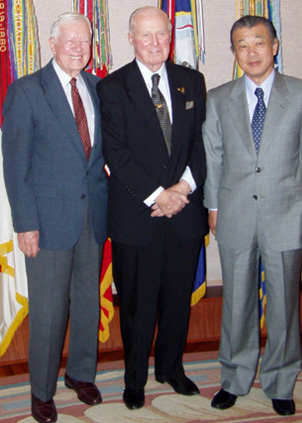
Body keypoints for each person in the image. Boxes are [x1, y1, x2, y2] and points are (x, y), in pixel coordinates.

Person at [203, 15, 302, 417]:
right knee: (236, 302)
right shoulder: (218, 97)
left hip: (288, 212)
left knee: (283, 305)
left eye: (259, 43)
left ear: (275, 46)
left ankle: (280, 380)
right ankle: (234, 378)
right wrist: (213, 207)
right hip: (235, 213)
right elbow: (214, 157)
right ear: (234, 53)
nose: (251, 52)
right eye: (242, 45)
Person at [97, 6, 208, 410]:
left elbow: (201, 144)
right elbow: (117, 154)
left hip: (184, 215)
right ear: (131, 38)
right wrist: (159, 195)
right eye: (146, 36)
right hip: (137, 217)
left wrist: (181, 189)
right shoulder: (111, 88)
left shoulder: (191, 81)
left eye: (162, 34)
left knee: (178, 299)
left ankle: (171, 369)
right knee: (138, 306)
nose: (156, 43)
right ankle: (135, 380)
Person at [2, 12, 108, 423]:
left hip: (92, 217)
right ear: (51, 44)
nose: (78, 48)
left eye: (85, 41)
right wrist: (24, 223)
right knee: (48, 311)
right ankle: (41, 391)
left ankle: (80, 374)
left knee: (86, 302)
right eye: (70, 41)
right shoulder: (26, 91)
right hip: (45, 222)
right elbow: (15, 166)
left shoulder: (100, 88)